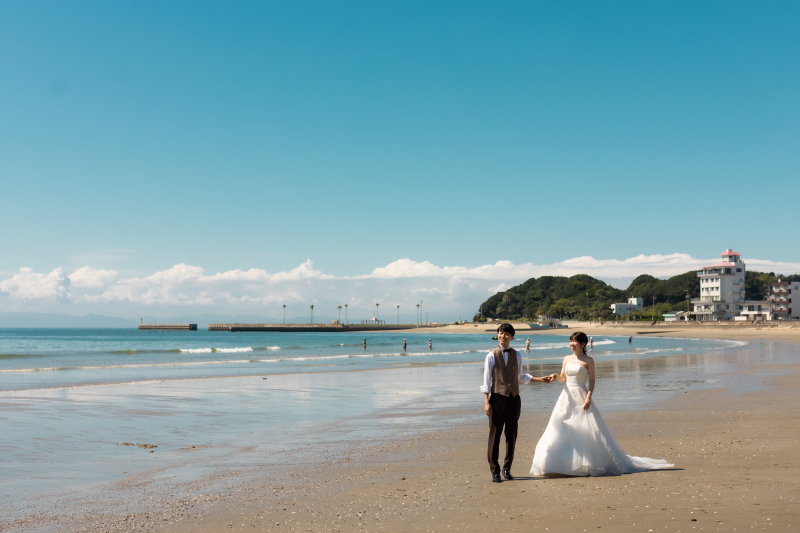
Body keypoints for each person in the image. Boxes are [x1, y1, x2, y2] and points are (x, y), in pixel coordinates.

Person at [530, 331, 673, 477]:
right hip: (566, 397)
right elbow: (563, 378)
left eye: (575, 341)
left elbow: (592, 380)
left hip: (581, 395)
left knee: (585, 429)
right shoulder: (566, 358)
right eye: (570, 341)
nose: (572, 344)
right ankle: (557, 463)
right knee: (561, 427)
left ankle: (584, 464)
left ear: (583, 344)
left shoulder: (588, 360)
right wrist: (556, 376)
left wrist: (588, 397)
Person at [482, 323, 555, 483]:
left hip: (514, 399)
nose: (503, 336)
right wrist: (486, 402)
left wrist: (539, 379)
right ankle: (495, 470)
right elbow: (486, 381)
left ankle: (507, 469)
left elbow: (521, 376)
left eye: (506, 334)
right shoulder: (491, 355)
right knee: (494, 436)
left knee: (511, 435)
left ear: (512, 337)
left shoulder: (517, 355)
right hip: (496, 399)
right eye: (501, 333)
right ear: (498, 335)